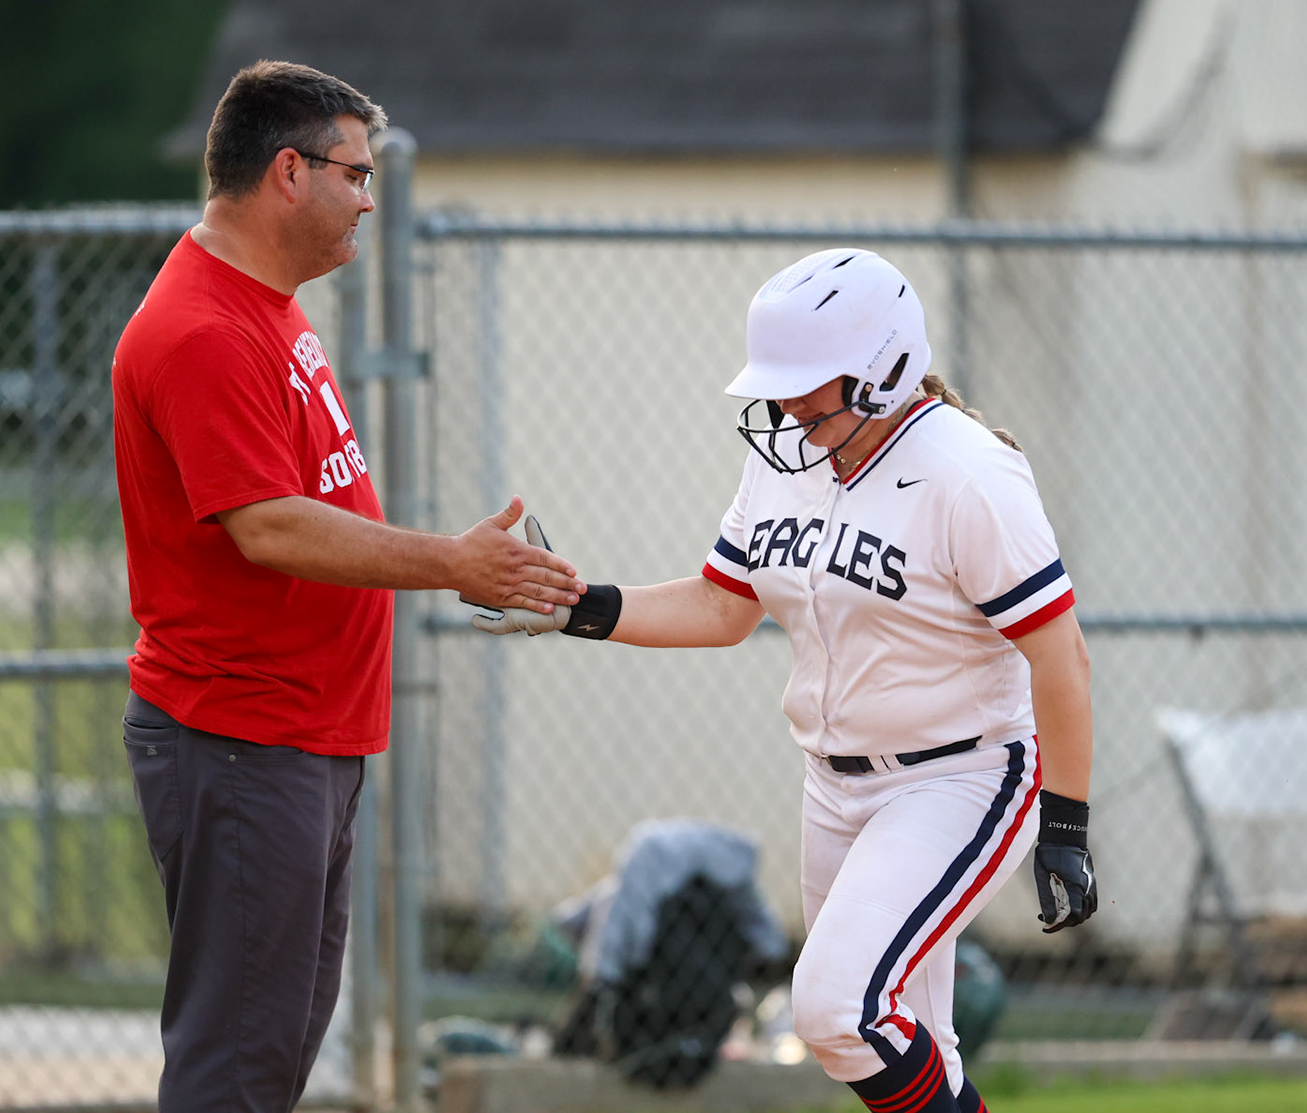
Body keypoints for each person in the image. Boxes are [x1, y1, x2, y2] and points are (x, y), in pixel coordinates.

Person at [474, 248, 1097, 1113]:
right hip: (833, 786)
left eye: (812, 380)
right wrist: (581, 605)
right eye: (780, 380)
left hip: (961, 775)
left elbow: (1059, 655)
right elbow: (723, 607)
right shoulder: (792, 457)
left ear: (885, 367)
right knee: (896, 1034)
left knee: (835, 1009)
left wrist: (1066, 822)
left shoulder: (967, 473)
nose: (789, 404)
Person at [112, 59, 583, 1112]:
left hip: (300, 736)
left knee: (272, 1054)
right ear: (289, 172)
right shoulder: (202, 327)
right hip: (243, 738)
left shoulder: (269, 305)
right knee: (234, 1065)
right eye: (355, 173)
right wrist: (453, 563)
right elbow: (269, 525)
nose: (370, 198)